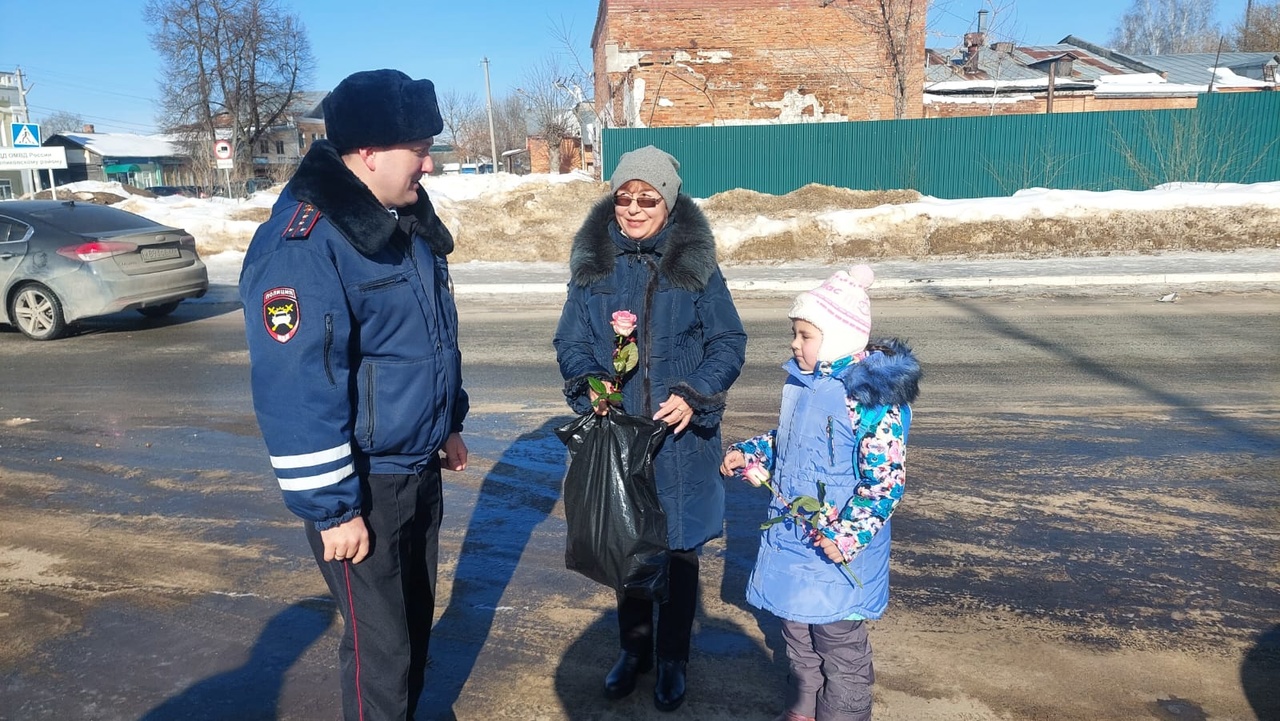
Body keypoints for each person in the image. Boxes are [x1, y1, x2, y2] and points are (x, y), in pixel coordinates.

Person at [238, 69, 468, 721]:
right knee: (381, 654)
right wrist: (333, 507)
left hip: (416, 470)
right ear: (367, 152)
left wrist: (448, 421)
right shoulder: (304, 245)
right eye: (418, 147)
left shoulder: (406, 222)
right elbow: (296, 385)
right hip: (361, 486)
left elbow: (430, 334)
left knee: (415, 629)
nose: (429, 161)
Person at [553, 145, 747, 712]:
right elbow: (569, 342)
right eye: (624, 198)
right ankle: (633, 652)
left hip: (680, 440)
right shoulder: (594, 266)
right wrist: (591, 383)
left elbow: (728, 343)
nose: (634, 209)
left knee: (680, 552)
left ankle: (671, 659)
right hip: (620, 439)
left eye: (648, 199)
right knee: (627, 548)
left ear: (669, 202)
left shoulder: (695, 265)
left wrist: (693, 395)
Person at [720, 266, 921, 721]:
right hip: (794, 538)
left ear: (837, 338)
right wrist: (750, 453)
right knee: (795, 630)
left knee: (838, 643)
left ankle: (843, 714)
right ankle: (804, 707)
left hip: (838, 547)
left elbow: (885, 481)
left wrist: (849, 535)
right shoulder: (802, 383)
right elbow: (790, 441)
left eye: (805, 334)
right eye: (796, 333)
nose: (795, 343)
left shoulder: (872, 400)